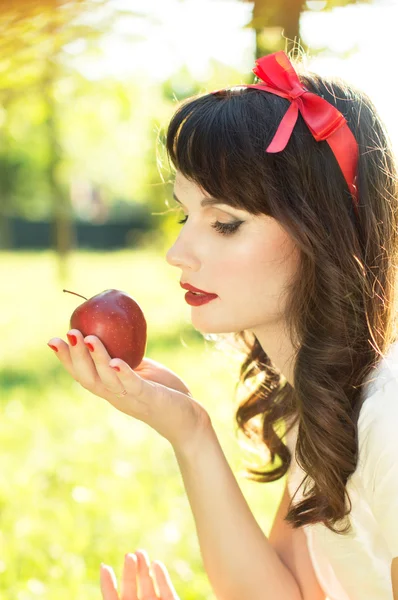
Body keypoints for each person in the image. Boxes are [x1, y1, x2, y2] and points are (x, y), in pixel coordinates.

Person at [47, 50, 398, 600]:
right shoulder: (327, 406)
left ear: (320, 233)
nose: (178, 253)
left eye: (225, 223)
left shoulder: (390, 419)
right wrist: (189, 431)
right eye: (187, 215)